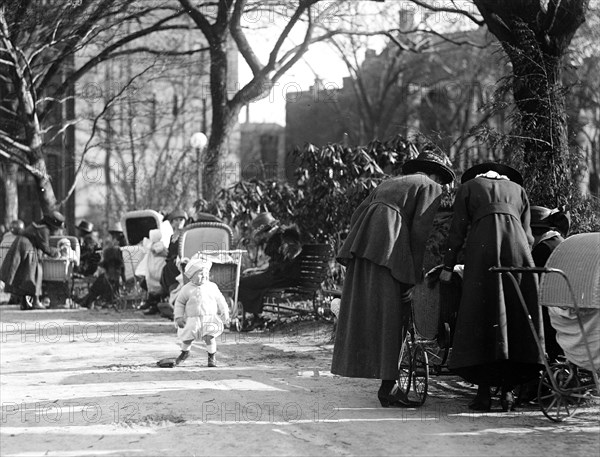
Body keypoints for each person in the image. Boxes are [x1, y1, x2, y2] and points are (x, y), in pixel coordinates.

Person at [331, 147, 455, 407]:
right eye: (443, 180)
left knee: (369, 313)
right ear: (435, 174)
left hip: (365, 245)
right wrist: (413, 275)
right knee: (394, 314)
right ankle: (389, 388)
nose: (442, 186)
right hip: (389, 248)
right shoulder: (430, 186)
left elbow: (357, 215)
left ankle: (386, 383)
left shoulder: (390, 182)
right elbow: (420, 233)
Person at [440, 162, 543, 412]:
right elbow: (528, 236)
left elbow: (457, 230)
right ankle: (507, 393)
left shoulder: (469, 187)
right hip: (518, 256)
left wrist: (448, 265)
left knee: (482, 317)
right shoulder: (518, 190)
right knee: (515, 317)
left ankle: (484, 394)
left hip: (483, 255)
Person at [237, 212, 302, 331]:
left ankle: (256, 318)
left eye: (264, 233)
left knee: (243, 283)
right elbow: (277, 260)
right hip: (278, 274)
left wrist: (270, 270)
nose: (264, 236)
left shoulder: (286, 236)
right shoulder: (278, 236)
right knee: (247, 280)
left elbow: (288, 258)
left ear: (270, 229)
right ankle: (256, 317)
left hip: (283, 277)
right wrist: (260, 270)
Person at [0, 211, 65, 310]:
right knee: (35, 273)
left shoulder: (37, 225)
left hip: (20, 246)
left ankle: (24, 302)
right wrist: (57, 252)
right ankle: (35, 301)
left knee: (21, 275)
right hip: (27, 248)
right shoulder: (44, 230)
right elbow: (45, 248)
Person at [173, 257, 230, 367]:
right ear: (191, 277)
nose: (204, 276)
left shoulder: (212, 287)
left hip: (209, 318)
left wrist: (225, 311)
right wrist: (179, 317)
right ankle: (185, 352)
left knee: (210, 337)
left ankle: (211, 356)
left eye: (206, 273)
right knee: (187, 338)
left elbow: (220, 299)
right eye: (200, 274)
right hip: (192, 319)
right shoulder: (186, 289)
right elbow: (179, 303)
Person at [78, 228, 126, 309]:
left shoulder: (115, 249)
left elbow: (109, 263)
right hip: (118, 274)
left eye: (113, 236)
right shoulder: (120, 248)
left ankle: (88, 300)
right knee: (102, 279)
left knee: (102, 280)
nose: (112, 238)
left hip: (115, 275)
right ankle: (88, 300)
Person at [157, 209, 189, 313]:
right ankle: (168, 299)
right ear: (171, 223)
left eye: (181, 220)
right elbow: (170, 253)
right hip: (171, 262)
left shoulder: (186, 235)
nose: (179, 222)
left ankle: (175, 303)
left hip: (182, 263)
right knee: (163, 268)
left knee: (169, 269)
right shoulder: (172, 237)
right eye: (176, 220)